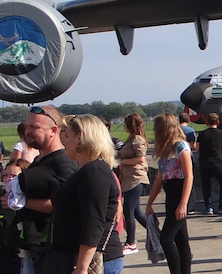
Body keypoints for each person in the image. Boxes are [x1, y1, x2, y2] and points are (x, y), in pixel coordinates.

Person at [44, 115, 123, 274]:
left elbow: (93, 222)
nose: (63, 141)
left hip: (95, 261)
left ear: (79, 137)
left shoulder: (94, 171)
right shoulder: (84, 170)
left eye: (67, 135)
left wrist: (82, 267)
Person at [16, 105, 79, 274]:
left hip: (53, 251)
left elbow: (65, 204)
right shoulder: (39, 159)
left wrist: (20, 201)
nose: (28, 131)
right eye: (27, 126)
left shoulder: (64, 163)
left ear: (53, 130)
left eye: (35, 127)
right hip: (33, 249)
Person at [147, 114, 193, 274]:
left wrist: (183, 203)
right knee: (181, 239)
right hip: (170, 193)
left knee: (166, 238)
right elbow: (159, 178)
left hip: (180, 192)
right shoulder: (166, 149)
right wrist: (149, 203)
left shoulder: (181, 146)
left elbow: (189, 175)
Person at [116, 112, 150, 255]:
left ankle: (131, 242)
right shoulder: (131, 139)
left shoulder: (137, 140)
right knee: (136, 211)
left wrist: (122, 162)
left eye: (125, 124)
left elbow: (141, 159)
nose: (123, 126)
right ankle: (156, 233)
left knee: (128, 210)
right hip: (129, 178)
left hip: (136, 177)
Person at [196, 112, 222, 215]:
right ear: (218, 122)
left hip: (204, 161)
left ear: (207, 122)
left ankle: (209, 207)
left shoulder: (202, 134)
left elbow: (197, 149)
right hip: (217, 160)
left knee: (206, 185)